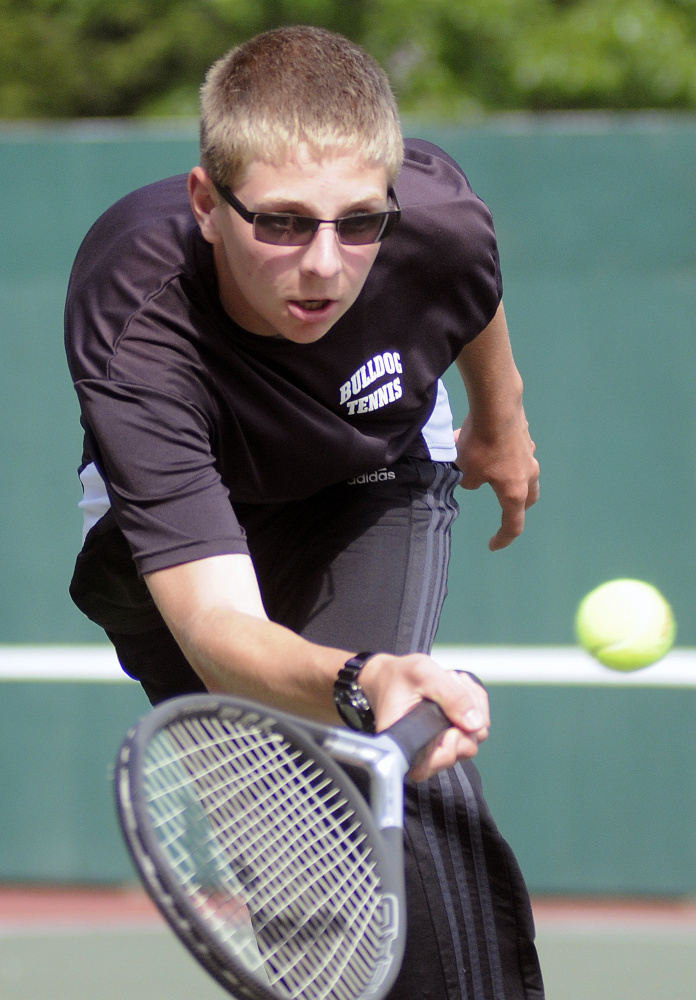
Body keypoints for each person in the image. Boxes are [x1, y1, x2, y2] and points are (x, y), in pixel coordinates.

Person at [65, 25, 543, 1000]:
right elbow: (213, 624)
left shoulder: (440, 220)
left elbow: (469, 290)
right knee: (309, 857)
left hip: (370, 482)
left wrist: (502, 418)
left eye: (358, 222)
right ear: (207, 201)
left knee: (392, 758)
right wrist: (366, 677)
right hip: (174, 555)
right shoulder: (134, 315)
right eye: (280, 222)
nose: (324, 264)